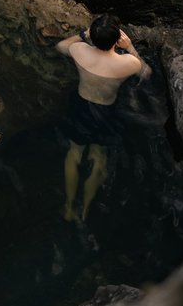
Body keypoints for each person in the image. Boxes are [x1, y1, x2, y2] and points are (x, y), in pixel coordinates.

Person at [56, 13, 151, 223]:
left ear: (93, 37)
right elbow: (146, 72)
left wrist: (83, 35)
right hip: (106, 112)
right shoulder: (128, 63)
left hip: (81, 107)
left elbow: (61, 46)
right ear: (117, 39)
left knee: (74, 153)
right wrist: (130, 47)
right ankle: (85, 209)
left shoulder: (79, 50)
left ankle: (69, 205)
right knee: (99, 158)